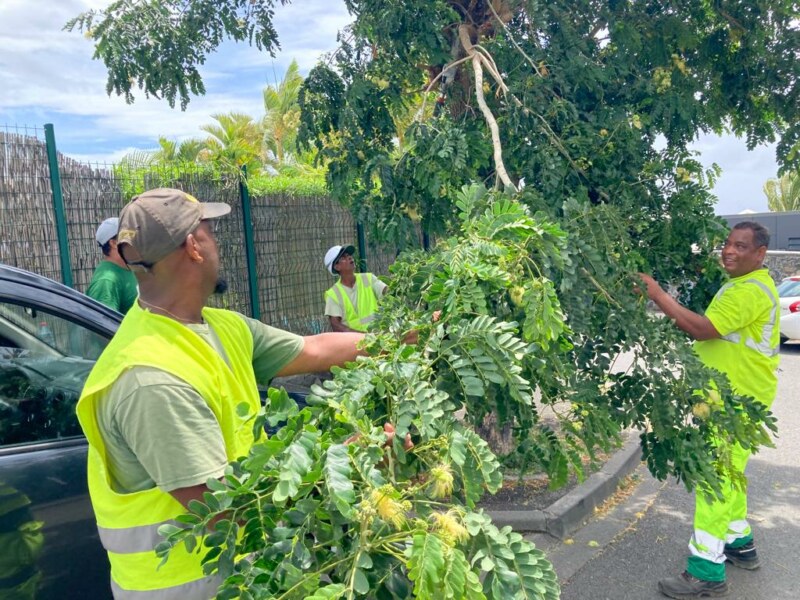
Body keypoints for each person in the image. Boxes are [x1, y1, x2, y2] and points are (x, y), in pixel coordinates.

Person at [76, 189, 367, 599]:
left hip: (238, 571)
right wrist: (348, 462)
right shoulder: (149, 378)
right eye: (211, 232)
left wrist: (403, 339)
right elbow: (228, 515)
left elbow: (315, 349)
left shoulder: (219, 326)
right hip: (186, 584)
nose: (219, 245)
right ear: (194, 247)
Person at [639, 221, 780, 600]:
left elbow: (703, 329)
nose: (729, 251)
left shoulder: (749, 291)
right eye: (727, 244)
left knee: (713, 482)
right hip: (739, 400)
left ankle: (705, 571)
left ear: (760, 253)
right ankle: (739, 544)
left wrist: (656, 294)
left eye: (740, 246)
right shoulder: (746, 285)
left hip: (734, 405)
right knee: (730, 477)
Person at [323, 244, 387, 332]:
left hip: (380, 336)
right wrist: (361, 337)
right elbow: (336, 326)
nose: (349, 258)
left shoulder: (368, 278)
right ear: (336, 267)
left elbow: (387, 293)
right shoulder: (333, 294)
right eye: (343, 257)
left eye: (349, 255)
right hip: (353, 343)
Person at [86, 217, 138, 313]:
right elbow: (103, 323)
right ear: (114, 243)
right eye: (129, 235)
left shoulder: (129, 268)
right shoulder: (106, 281)